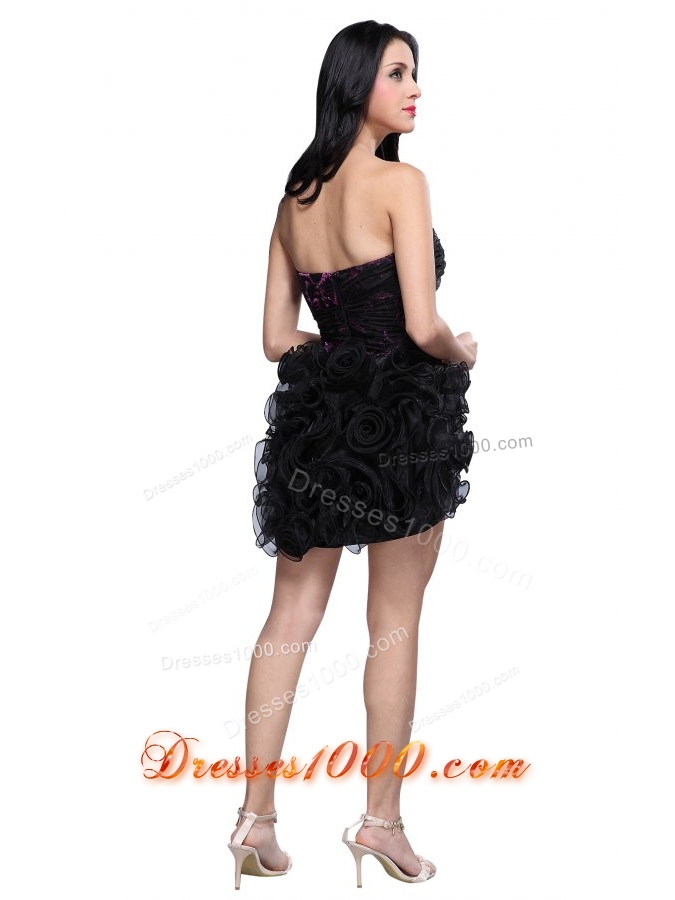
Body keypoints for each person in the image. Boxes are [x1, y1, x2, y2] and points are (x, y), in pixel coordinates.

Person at [228, 19, 478, 890]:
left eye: (415, 73)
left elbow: (274, 340)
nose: (414, 89)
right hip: (403, 425)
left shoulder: (293, 199)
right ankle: (381, 822)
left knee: (288, 617)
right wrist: (460, 351)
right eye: (397, 73)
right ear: (354, 83)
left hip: (316, 424)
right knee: (394, 623)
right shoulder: (401, 182)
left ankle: (254, 817)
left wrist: (338, 356)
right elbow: (420, 324)